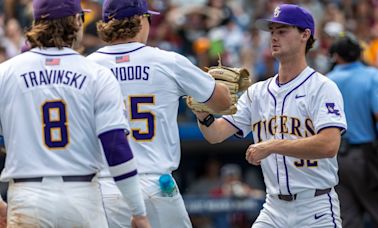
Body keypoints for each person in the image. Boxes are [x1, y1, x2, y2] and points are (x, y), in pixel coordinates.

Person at [191, 4, 347, 227]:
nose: (274, 37)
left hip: (315, 206)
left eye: (282, 31)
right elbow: (215, 134)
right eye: (272, 31)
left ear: (305, 35)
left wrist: (272, 145)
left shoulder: (322, 87)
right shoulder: (257, 92)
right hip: (273, 208)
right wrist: (203, 115)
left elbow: (329, 145)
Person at [0, 0, 150, 227]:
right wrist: (138, 210)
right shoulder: (96, 73)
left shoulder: (6, 72)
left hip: (27, 195)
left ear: (37, 23)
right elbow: (115, 146)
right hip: (81, 197)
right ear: (78, 21)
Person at [87, 0, 231, 227]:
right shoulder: (168, 60)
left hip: (107, 186)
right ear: (140, 20)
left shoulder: (88, 67)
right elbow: (223, 103)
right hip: (157, 184)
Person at [328, 32, 378, 228]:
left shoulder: (326, 81)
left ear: (336, 56)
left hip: (335, 160)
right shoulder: (372, 76)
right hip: (364, 158)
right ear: (360, 53)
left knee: (348, 221)